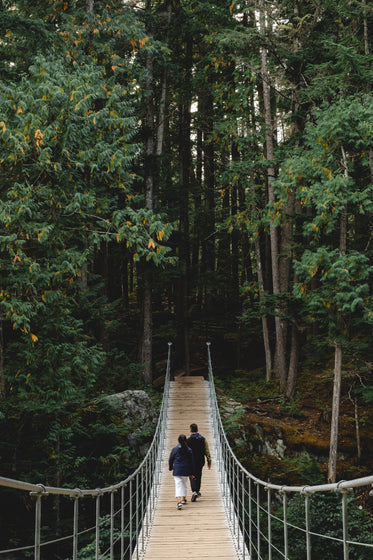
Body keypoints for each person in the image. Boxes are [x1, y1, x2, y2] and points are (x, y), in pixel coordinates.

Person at [168, 434, 195, 510]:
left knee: (178, 485)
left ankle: (179, 501)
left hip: (177, 470)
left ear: (178, 441)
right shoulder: (189, 450)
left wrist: (170, 467)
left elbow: (171, 459)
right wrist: (192, 472)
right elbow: (192, 462)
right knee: (185, 484)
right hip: (186, 470)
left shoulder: (175, 449)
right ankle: (183, 499)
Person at [187, 423, 211, 501]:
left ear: (190, 430)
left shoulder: (188, 441)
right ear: (197, 430)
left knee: (192, 475)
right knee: (199, 475)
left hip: (191, 461)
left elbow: (186, 452)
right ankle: (197, 491)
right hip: (200, 460)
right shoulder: (202, 439)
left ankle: (194, 491)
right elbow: (207, 450)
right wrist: (209, 460)